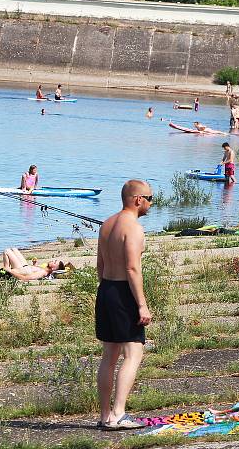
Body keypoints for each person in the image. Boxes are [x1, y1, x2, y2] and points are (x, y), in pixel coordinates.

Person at [96, 180, 153, 431]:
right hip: (123, 292)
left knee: (109, 355)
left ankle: (105, 415)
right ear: (137, 199)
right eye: (150, 198)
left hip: (106, 289)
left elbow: (100, 266)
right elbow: (132, 268)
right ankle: (118, 414)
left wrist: (108, 291)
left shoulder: (106, 225)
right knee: (133, 353)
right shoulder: (134, 228)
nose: (151, 203)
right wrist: (141, 305)